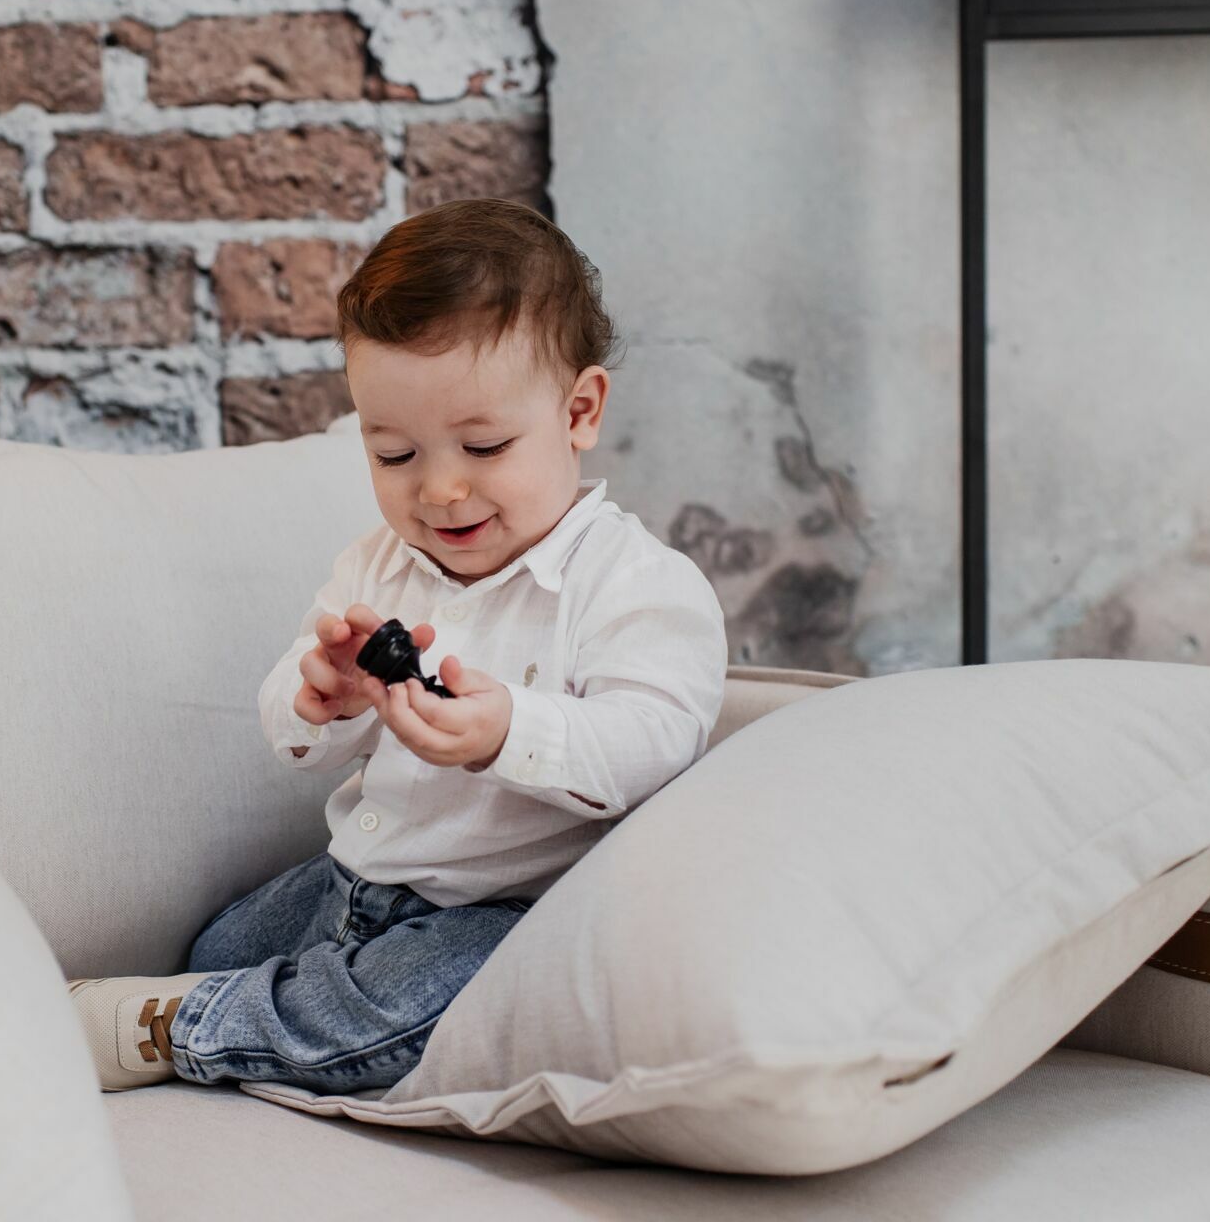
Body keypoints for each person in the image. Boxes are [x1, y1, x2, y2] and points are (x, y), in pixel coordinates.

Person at [68, 197, 728, 1095]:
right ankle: (245, 1001)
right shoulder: (376, 566)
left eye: (485, 445)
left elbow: (658, 738)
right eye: (394, 455)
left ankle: (174, 1028)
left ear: (579, 411)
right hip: (353, 881)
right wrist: (321, 700)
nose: (443, 490)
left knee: (408, 1006)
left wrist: (510, 735)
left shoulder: (636, 584)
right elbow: (293, 736)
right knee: (216, 944)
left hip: (499, 915)